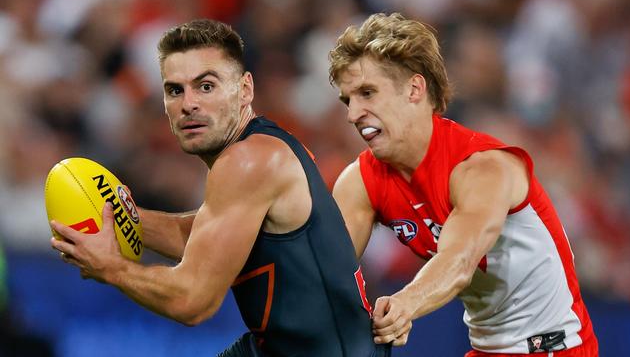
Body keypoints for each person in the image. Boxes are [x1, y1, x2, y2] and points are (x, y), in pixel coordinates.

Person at [50, 19, 391, 357]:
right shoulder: (260, 147)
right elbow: (206, 238)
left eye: (206, 86)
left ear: (245, 90)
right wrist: (120, 214)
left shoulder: (248, 161)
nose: (188, 104)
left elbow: (192, 301)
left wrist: (112, 267)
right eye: (175, 90)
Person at [328, 13, 598, 356]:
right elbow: (327, 272)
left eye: (368, 93)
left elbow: (459, 259)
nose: (353, 114)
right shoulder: (361, 180)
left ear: (414, 88)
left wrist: (404, 304)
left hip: (554, 348)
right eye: (347, 100)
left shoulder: (483, 168)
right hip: (485, 349)